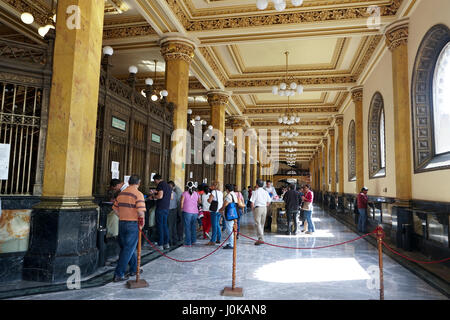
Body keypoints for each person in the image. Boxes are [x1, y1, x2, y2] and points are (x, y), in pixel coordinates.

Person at [112, 175, 146, 282]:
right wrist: (142, 222)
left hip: (122, 223)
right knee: (128, 249)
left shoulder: (121, 193)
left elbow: (114, 209)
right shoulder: (138, 194)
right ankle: (119, 274)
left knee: (127, 247)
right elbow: (140, 212)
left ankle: (134, 269)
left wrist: (122, 216)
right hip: (133, 224)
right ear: (139, 183)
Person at [149, 174, 172, 251]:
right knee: (165, 226)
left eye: (154, 181)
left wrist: (153, 196)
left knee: (160, 226)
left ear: (156, 180)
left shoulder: (160, 185)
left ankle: (160, 244)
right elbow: (170, 197)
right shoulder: (168, 185)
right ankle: (166, 243)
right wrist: (156, 191)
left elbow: (160, 196)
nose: (155, 182)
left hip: (160, 208)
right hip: (166, 207)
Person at [250, 179, 272, 245]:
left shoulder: (255, 192)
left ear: (257, 184)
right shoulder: (265, 192)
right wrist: (265, 205)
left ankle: (261, 239)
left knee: (257, 224)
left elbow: (252, 202)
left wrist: (253, 209)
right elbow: (269, 201)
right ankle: (260, 238)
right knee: (262, 224)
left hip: (258, 208)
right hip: (264, 208)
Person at [180, 181, 201, 247]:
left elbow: (182, 203)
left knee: (187, 227)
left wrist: (181, 209)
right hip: (195, 212)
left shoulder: (184, 193)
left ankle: (188, 243)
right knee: (193, 226)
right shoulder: (197, 194)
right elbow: (199, 202)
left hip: (187, 211)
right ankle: (193, 241)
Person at [220, 184, 239, 249]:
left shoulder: (229, 195)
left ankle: (231, 244)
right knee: (231, 228)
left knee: (229, 229)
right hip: (234, 214)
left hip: (229, 214)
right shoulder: (234, 194)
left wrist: (221, 209)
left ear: (227, 189)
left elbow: (225, 204)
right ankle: (232, 242)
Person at [206, 180, 224, 246]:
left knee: (214, 225)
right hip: (219, 210)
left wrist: (208, 199)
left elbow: (210, 201)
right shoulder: (221, 192)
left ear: (214, 186)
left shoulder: (213, 192)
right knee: (217, 225)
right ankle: (218, 238)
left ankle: (212, 241)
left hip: (214, 210)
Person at [168, 181, 182, 246]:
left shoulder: (170, 193)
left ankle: (170, 241)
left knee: (170, 226)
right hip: (175, 209)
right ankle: (174, 240)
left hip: (171, 210)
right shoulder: (175, 193)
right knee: (173, 226)